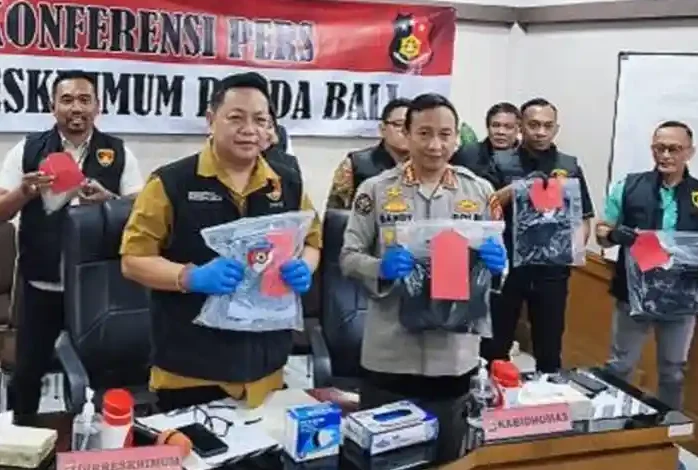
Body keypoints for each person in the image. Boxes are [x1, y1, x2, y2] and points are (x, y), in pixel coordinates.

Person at [120, 72, 322, 411]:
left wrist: (305, 267)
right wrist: (190, 277)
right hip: (190, 372)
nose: (249, 129)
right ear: (211, 120)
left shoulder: (287, 183)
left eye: (260, 120)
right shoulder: (170, 183)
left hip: (267, 370)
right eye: (236, 118)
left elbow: (313, 241)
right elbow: (132, 260)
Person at [339, 93, 507, 463]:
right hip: (391, 355)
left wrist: (498, 266)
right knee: (384, 460)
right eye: (425, 133)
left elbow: (497, 268)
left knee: (448, 457)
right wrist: (380, 268)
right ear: (407, 133)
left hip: (454, 356)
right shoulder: (375, 190)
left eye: (445, 135)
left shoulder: (479, 191)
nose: (435, 145)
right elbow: (348, 257)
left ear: (457, 138)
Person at [0, 69, 143, 417]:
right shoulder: (27, 149)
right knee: (27, 373)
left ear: (97, 106)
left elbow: (140, 217)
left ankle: (98, 441)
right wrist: (25, 191)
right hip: (41, 285)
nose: (76, 108)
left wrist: (109, 200)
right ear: (53, 107)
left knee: (103, 375)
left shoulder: (119, 152)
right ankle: (23, 436)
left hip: (99, 289)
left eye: (84, 99)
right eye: (66, 100)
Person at [481, 98, 594, 373]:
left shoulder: (568, 166)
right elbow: (485, 207)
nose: (541, 132)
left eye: (547, 126)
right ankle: (492, 393)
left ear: (556, 129)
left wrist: (575, 250)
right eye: (534, 125)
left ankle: (547, 393)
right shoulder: (500, 161)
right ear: (521, 126)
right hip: (508, 266)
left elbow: (584, 216)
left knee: (549, 345)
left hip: (551, 269)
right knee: (495, 344)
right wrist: (517, 189)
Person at [597, 120, 697, 412]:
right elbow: (602, 232)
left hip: (681, 298)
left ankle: (667, 429)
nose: (665, 155)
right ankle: (613, 423)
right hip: (633, 293)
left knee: (673, 370)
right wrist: (613, 235)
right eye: (659, 148)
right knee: (620, 366)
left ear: (689, 152)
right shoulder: (629, 186)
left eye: (674, 149)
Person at [326, 98, 412, 210]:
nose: (405, 131)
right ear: (382, 129)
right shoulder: (356, 164)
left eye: (411, 125)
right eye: (399, 124)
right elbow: (335, 214)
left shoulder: (428, 165)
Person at [451, 102, 521, 181]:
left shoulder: (527, 159)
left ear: (518, 129)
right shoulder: (466, 155)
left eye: (508, 127)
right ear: (488, 127)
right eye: (495, 125)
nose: (501, 132)